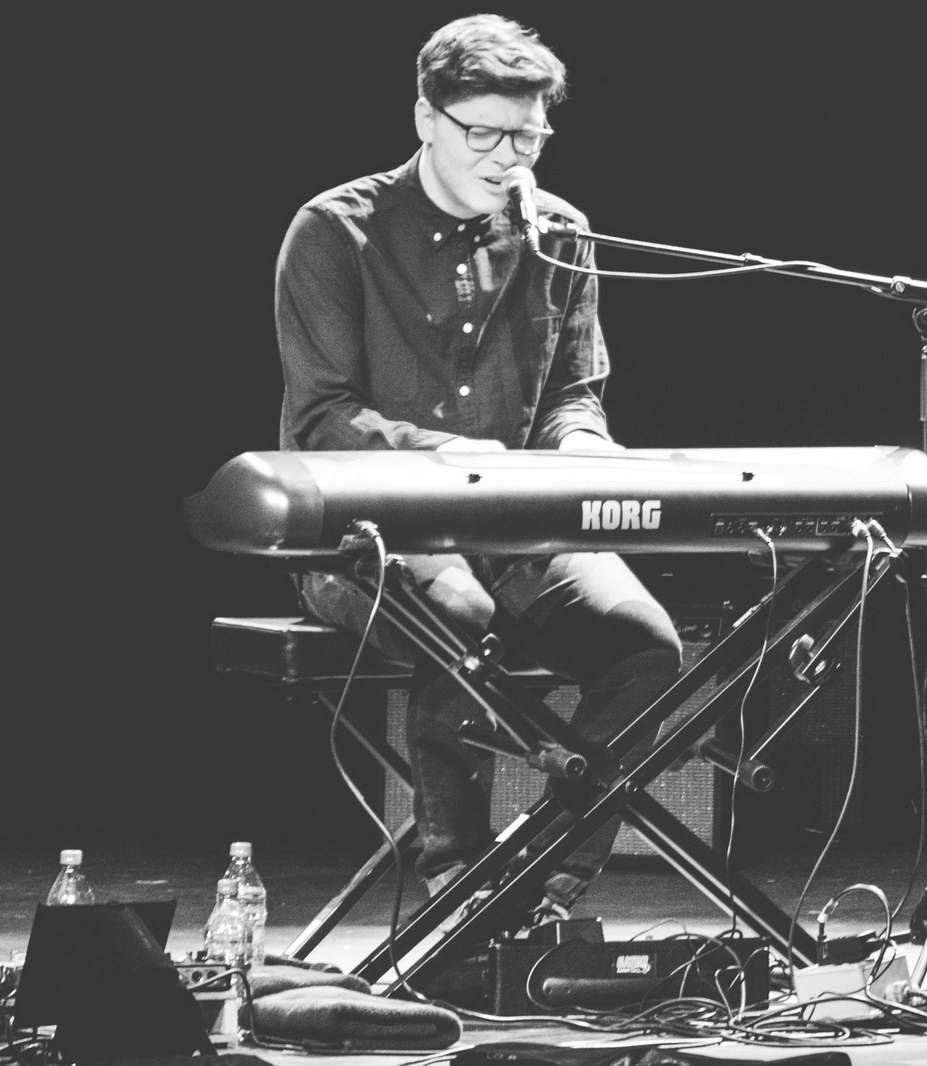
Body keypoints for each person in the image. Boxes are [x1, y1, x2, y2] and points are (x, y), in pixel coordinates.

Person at [274, 13, 682, 928]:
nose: (508, 157)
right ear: (427, 118)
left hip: (515, 529)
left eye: (527, 137)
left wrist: (583, 447)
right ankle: (456, 898)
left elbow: (573, 394)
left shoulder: (558, 232)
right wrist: (444, 454)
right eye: (485, 134)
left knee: (646, 650)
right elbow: (321, 418)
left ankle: (540, 888)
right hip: (365, 537)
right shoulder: (335, 231)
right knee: (457, 613)